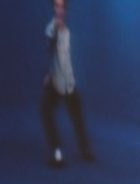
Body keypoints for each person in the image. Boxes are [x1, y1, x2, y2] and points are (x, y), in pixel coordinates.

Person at [41, 0, 94, 167]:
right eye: (57, 6)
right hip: (57, 83)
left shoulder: (69, 31)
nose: (60, 10)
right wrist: (51, 74)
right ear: (53, 9)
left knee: (77, 117)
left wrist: (49, 72)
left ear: (66, 9)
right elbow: (50, 47)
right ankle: (57, 154)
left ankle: (85, 150)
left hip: (69, 83)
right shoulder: (51, 28)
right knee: (45, 112)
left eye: (62, 6)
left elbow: (63, 59)